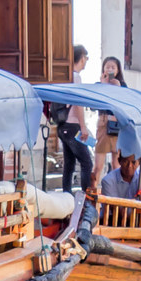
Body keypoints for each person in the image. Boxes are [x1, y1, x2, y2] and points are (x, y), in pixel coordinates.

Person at [50, 44, 96, 193]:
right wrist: (83, 127)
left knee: (69, 165)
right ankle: (86, 199)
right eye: (86, 58)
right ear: (81, 58)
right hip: (72, 126)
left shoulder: (66, 76)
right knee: (86, 163)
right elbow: (78, 104)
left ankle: (67, 197)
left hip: (63, 127)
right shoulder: (76, 77)